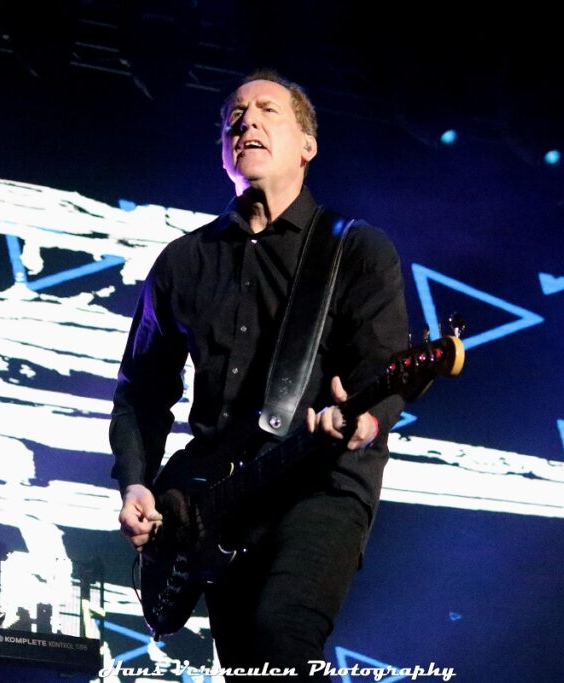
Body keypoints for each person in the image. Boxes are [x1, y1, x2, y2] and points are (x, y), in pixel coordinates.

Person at [110, 70, 408, 676]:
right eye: (234, 117)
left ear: (307, 144)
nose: (246, 120)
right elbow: (142, 391)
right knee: (248, 666)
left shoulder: (356, 249)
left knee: (282, 636)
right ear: (224, 152)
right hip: (219, 503)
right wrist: (136, 482)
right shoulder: (183, 262)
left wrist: (365, 420)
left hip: (319, 484)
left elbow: (383, 371)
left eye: (268, 110)